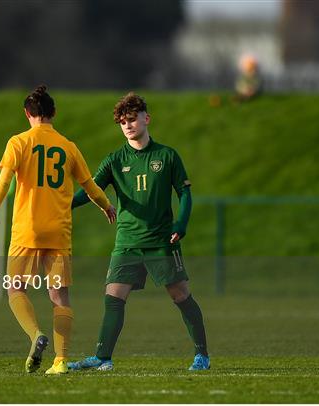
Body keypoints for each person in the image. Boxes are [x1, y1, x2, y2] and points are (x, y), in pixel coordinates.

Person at [0, 85, 116, 375]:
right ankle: (61, 360)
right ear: (53, 113)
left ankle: (35, 335)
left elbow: (2, 184)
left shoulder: (18, 142)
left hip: (27, 230)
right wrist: (106, 206)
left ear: (27, 113)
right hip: (58, 232)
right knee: (59, 296)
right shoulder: (68, 146)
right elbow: (90, 186)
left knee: (15, 289)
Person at [68, 92, 210, 371]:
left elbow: (184, 193)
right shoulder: (114, 160)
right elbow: (91, 191)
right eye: (122, 122)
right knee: (113, 296)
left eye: (132, 119)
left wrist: (181, 224)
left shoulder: (166, 156)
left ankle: (202, 356)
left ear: (146, 118)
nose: (128, 125)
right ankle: (103, 358)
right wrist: (63, 205)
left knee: (181, 295)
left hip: (161, 241)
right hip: (127, 241)